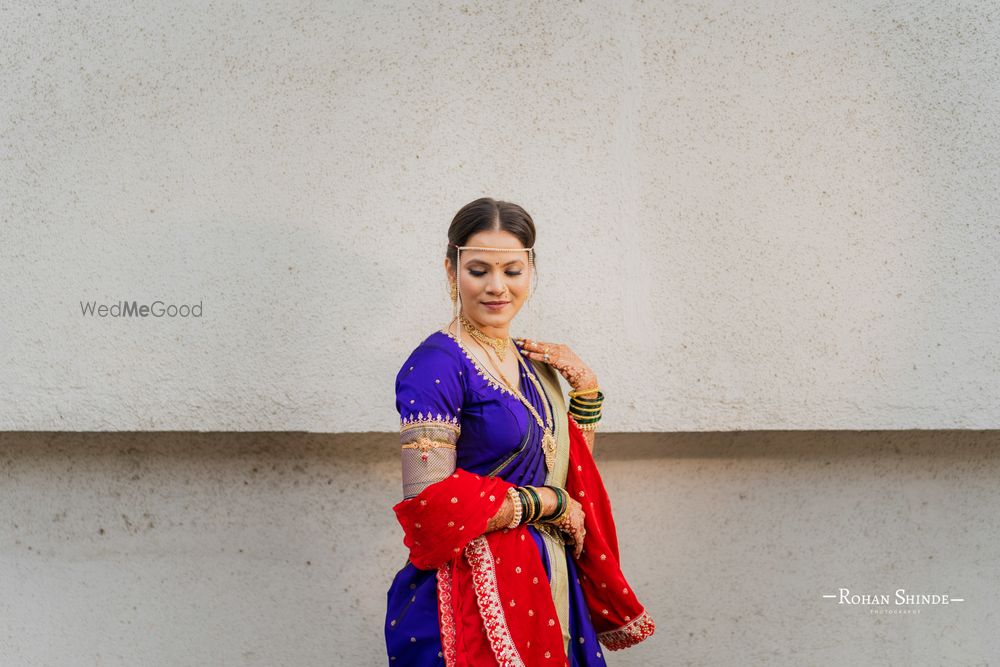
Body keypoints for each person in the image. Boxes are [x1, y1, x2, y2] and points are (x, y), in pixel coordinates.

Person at [385, 197, 654, 666]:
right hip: (472, 590)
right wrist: (546, 504)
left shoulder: (533, 366)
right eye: (478, 270)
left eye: (511, 271)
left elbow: (562, 471)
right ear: (451, 272)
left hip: (547, 581)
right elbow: (428, 500)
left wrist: (586, 395)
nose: (496, 287)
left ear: (531, 271)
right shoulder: (436, 364)